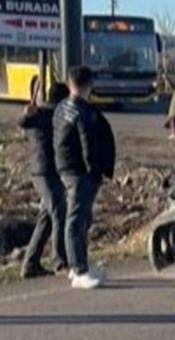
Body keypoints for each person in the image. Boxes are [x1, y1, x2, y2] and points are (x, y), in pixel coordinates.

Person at [54, 65, 116, 290]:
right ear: (89, 85)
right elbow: (88, 144)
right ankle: (79, 269)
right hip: (79, 172)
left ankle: (79, 263)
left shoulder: (61, 108)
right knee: (76, 221)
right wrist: (94, 172)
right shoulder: (83, 112)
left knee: (81, 219)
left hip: (64, 167)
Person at [18, 81, 71, 279]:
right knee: (59, 212)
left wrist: (27, 114)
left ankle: (30, 264)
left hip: (46, 172)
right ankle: (60, 262)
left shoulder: (44, 113)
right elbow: (23, 122)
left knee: (46, 218)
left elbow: (24, 121)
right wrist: (26, 113)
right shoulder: (47, 114)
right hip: (44, 172)